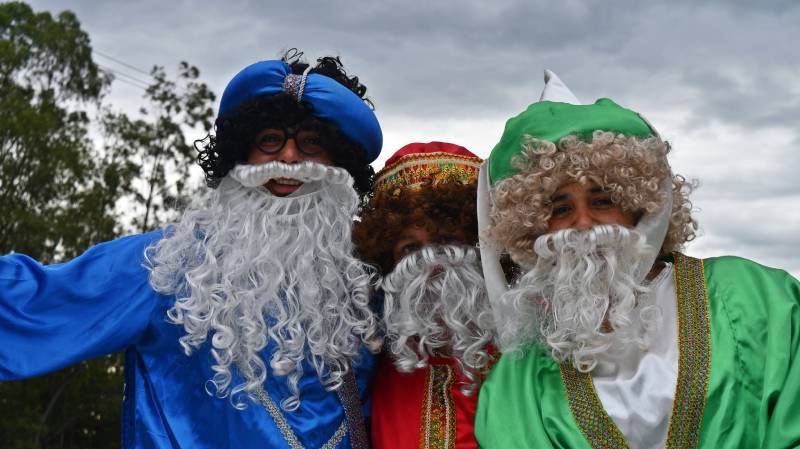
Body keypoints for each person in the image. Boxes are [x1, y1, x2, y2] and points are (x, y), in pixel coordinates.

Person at [0, 50, 383, 449]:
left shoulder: (370, 281)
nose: (288, 157)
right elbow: (36, 303)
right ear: (241, 156)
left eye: (312, 143)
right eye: (270, 140)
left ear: (341, 162)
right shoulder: (167, 265)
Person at [473, 71, 800, 448]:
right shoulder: (522, 376)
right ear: (532, 229)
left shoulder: (756, 297)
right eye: (560, 209)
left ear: (640, 205)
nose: (583, 224)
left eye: (602, 201)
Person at [353, 142, 495, 449]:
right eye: (411, 248)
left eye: (446, 241)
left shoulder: (519, 359)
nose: (430, 262)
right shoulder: (371, 360)